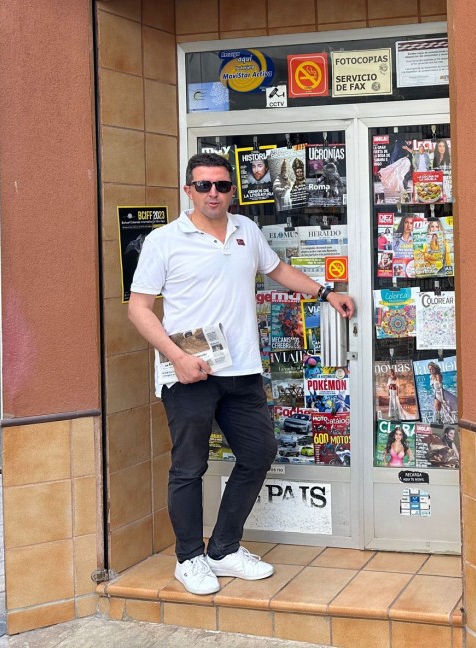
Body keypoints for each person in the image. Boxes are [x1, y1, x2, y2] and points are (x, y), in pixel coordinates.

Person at [128, 152, 355, 596]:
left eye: (221, 185)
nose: (214, 193)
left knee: (259, 453)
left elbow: (278, 270)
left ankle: (224, 548)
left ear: (231, 191)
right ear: (188, 190)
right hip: (190, 371)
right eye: (204, 185)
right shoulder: (164, 241)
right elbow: (139, 309)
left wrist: (326, 292)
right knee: (188, 467)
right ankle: (189, 557)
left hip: (242, 370)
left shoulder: (246, 231)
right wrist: (176, 356)